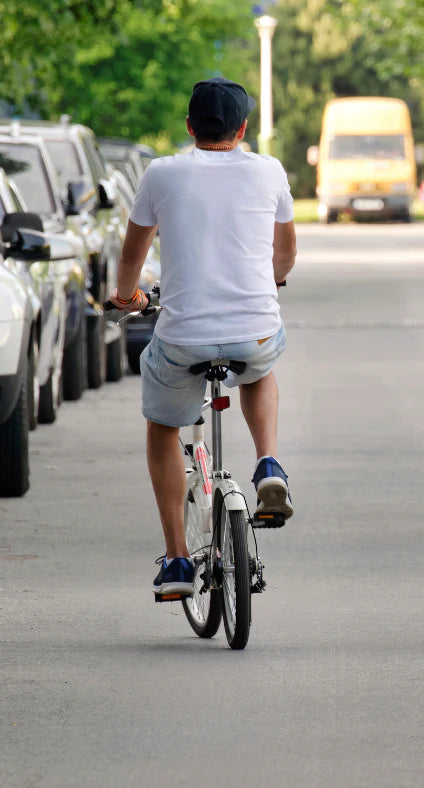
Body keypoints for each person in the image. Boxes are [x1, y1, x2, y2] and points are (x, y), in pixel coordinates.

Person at [109, 76, 297, 598]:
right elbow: (285, 253)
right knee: (259, 366)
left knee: (162, 426)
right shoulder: (269, 170)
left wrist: (128, 298)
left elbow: (132, 257)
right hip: (252, 330)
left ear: (190, 127)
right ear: (242, 129)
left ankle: (175, 562)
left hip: (183, 337)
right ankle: (268, 463)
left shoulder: (162, 172)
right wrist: (273, 280)